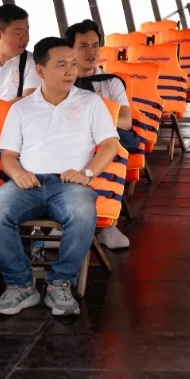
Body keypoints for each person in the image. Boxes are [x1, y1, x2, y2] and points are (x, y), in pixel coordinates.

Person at [0, 37, 118, 316]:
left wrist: (87, 173)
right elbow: (8, 155)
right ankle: (20, 285)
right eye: (62, 65)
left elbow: (109, 145)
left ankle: (60, 283)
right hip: (28, 183)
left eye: (73, 64)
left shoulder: (91, 102)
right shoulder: (21, 108)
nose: (71, 71)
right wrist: (18, 174)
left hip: (70, 184)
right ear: (41, 70)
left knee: (82, 212)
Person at [62, 19, 132, 250]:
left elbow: (126, 121)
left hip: (103, 143)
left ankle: (106, 224)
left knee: (109, 151)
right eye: (83, 46)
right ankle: (62, 220)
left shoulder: (111, 83)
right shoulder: (61, 82)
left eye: (95, 45)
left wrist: (93, 122)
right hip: (67, 143)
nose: (90, 51)